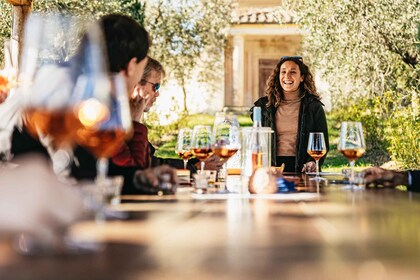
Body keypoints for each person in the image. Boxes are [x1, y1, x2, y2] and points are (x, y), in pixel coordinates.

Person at [9, 13, 177, 194]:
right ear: (131, 66)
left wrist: (137, 179)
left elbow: (89, 169)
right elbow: (66, 168)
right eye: (142, 69)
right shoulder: (71, 93)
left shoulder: (81, 90)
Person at [111, 57, 223, 172]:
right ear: (137, 84)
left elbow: (152, 162)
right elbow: (138, 170)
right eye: (156, 87)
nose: (157, 93)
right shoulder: (111, 122)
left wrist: (194, 163)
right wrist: (194, 168)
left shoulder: (122, 118)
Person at [250, 56, 329, 173]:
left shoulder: (314, 107)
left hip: (302, 170)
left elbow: (322, 143)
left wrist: (312, 161)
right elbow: (255, 140)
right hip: (270, 169)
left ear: (302, 77)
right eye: (283, 72)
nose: (287, 76)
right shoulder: (264, 107)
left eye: (293, 72)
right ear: (278, 76)